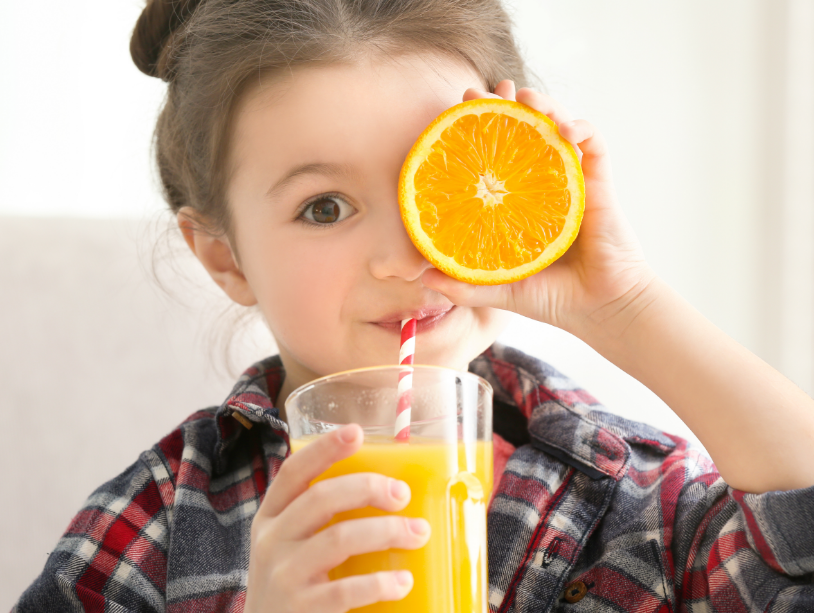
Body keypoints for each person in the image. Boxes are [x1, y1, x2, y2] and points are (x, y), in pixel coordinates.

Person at [14, 0, 814, 611]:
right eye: (325, 207)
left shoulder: (632, 500)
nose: (404, 258)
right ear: (224, 255)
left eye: (435, 191)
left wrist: (628, 304)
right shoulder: (156, 521)